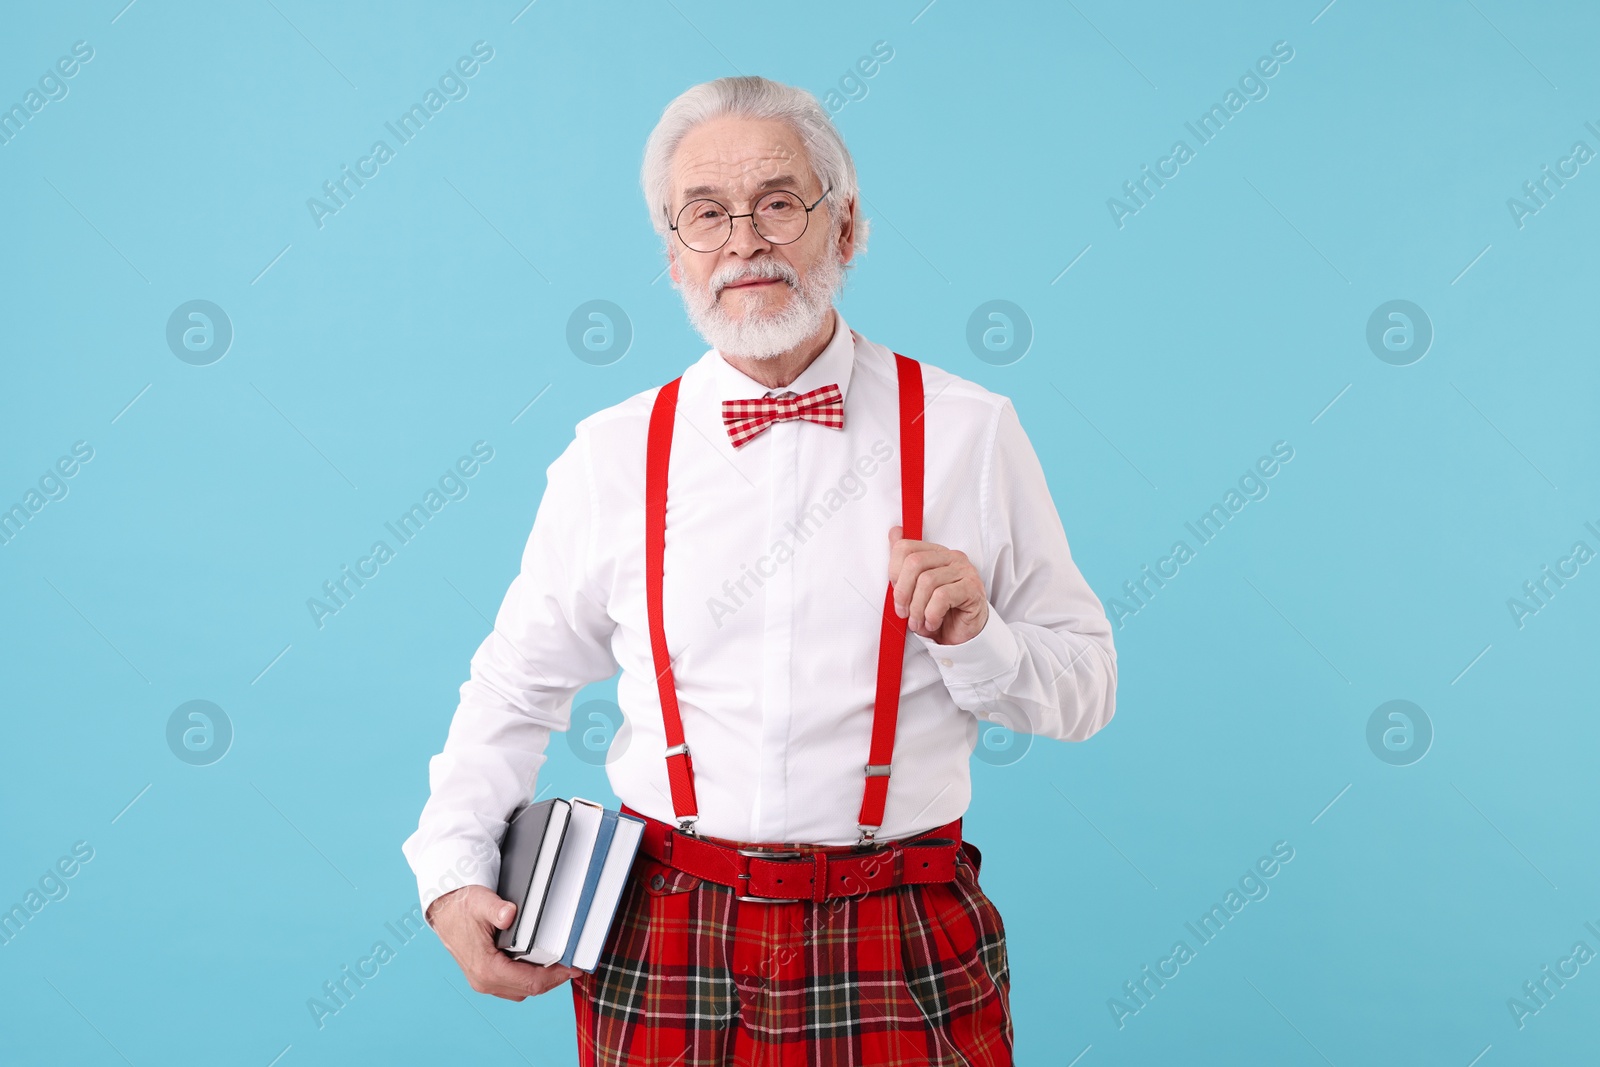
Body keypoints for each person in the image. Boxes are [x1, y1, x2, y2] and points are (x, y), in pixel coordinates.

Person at [402, 74, 1117, 1066]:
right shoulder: (610, 455)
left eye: (778, 203)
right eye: (706, 214)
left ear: (848, 225)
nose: (743, 241)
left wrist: (979, 637)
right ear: (672, 253)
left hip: (898, 931)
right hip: (662, 932)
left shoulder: (969, 432)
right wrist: (449, 868)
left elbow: (1087, 688)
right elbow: (514, 686)